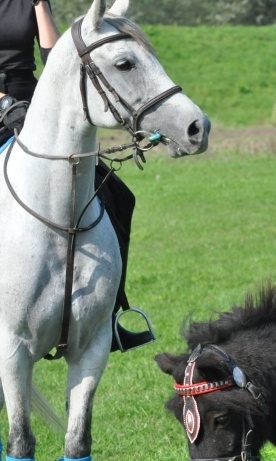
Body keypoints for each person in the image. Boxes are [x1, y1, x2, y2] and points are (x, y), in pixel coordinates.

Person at [0, 0, 153, 352]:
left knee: (118, 195)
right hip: (5, 108)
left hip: (32, 108)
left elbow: (56, 58)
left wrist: (39, 5)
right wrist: (5, 104)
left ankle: (109, 315)